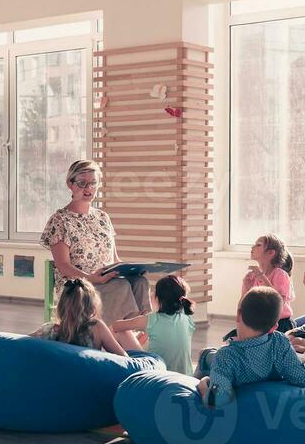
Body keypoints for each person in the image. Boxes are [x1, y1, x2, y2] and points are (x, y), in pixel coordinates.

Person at [40, 159, 150, 347]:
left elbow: (115, 259)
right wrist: (92, 278)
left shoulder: (103, 218)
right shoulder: (60, 220)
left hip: (107, 281)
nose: (88, 188)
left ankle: (123, 331)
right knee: (122, 288)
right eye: (82, 183)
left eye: (93, 183)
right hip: (78, 287)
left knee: (140, 282)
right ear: (70, 184)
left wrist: (132, 270)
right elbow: (63, 266)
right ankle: (119, 335)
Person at [196, 287, 305, 408]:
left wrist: (203, 384)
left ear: (238, 315)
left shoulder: (226, 356)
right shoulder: (280, 341)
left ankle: (204, 356)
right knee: (210, 354)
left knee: (204, 356)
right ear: (274, 327)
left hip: (222, 365)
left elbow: (218, 400)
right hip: (235, 365)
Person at [110, 274, 196, 375]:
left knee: (120, 332)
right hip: (186, 377)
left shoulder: (152, 320)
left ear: (157, 298)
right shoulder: (187, 318)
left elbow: (116, 326)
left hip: (157, 375)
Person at [222, 234, 295, 342]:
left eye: (258, 245)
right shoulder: (252, 276)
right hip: (257, 325)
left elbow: (279, 302)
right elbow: (242, 307)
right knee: (229, 341)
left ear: (271, 253)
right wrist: (247, 288)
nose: (253, 247)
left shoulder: (280, 274)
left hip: (279, 324)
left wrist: (262, 278)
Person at [30, 278, 130, 355]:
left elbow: (19, 341)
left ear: (60, 306)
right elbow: (123, 358)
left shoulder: (47, 330)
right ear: (93, 306)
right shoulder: (97, 327)